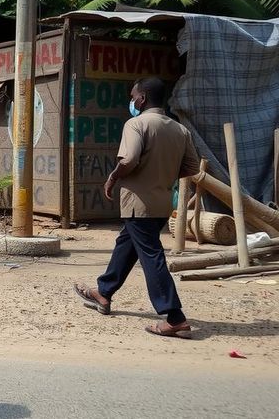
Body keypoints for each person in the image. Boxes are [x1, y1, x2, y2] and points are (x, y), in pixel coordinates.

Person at [74, 77, 200, 339]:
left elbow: (129, 158)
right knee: (127, 245)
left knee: (151, 256)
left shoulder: (136, 124)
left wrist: (113, 177)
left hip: (138, 203)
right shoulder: (180, 130)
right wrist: (161, 174)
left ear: (142, 99)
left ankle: (174, 317)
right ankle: (104, 293)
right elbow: (191, 168)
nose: (131, 101)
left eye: (133, 97)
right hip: (162, 202)